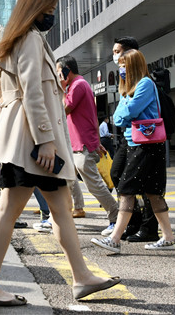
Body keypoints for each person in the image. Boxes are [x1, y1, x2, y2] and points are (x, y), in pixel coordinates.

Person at [0, 0, 118, 306]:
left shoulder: (12, 41)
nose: (52, 13)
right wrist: (46, 141)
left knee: (59, 209)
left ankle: (80, 277)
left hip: (22, 141)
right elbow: (31, 92)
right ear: (36, 8)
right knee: (13, 210)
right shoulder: (30, 39)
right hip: (33, 144)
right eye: (49, 8)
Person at [92, 49, 175, 254]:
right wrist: (125, 110)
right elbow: (119, 118)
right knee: (153, 193)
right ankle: (168, 238)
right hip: (139, 144)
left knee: (127, 189)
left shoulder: (145, 84)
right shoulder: (129, 88)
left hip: (145, 145)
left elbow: (126, 114)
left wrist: (126, 109)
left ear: (134, 66)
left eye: (124, 65)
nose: (121, 69)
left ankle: (114, 240)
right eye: (120, 65)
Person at [56, 55, 119, 235]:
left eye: (60, 71)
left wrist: (61, 89)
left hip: (82, 145)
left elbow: (64, 109)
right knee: (65, 182)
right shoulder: (76, 86)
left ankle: (116, 216)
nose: (58, 75)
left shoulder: (78, 85)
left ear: (67, 70)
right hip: (75, 144)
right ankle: (58, 216)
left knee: (94, 184)